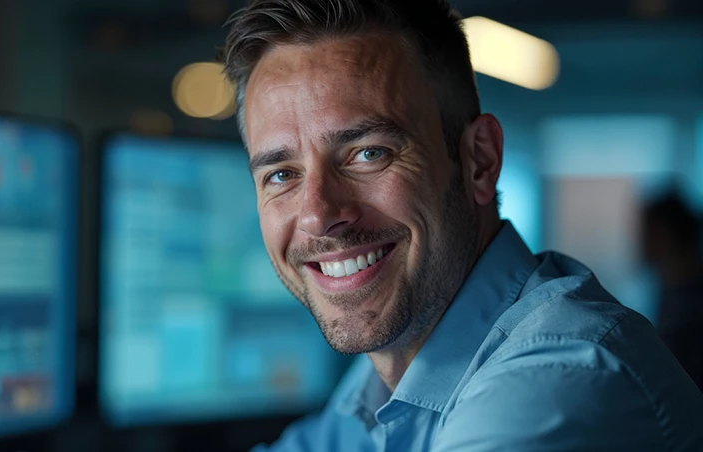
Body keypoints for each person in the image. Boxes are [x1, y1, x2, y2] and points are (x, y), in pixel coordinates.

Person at [219, 0, 703, 450]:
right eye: (281, 175)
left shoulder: (559, 379)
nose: (318, 215)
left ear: (480, 160)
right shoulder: (388, 373)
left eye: (369, 154)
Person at [641, 191, 703, 391]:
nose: (640, 241)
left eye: (646, 232)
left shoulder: (689, 302)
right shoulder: (669, 290)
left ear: (666, 235)